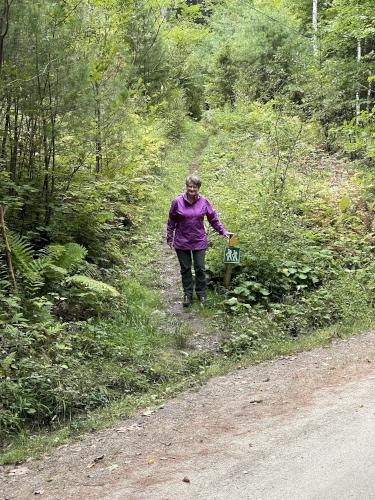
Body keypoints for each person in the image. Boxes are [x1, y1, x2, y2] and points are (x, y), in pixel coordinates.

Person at [167, 174, 232, 307]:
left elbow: (213, 218)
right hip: (182, 240)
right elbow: (171, 220)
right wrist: (169, 237)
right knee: (185, 269)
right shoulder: (177, 202)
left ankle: (201, 293)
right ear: (186, 187)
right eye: (190, 186)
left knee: (200, 268)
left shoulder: (204, 202)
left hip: (199, 240)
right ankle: (187, 294)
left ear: (198, 188)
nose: (192, 189)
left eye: (194, 187)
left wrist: (223, 231)